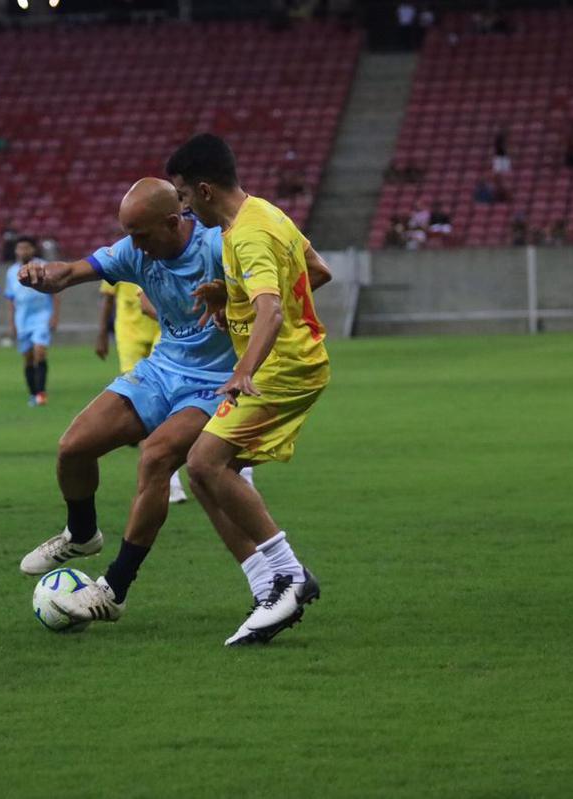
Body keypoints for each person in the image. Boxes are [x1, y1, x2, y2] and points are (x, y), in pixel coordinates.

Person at [15, 178, 244, 620]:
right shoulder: (135, 249)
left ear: (174, 222)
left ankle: (115, 588)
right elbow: (74, 270)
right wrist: (46, 277)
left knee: (155, 459)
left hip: (214, 381)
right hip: (161, 370)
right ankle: (81, 534)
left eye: (140, 233)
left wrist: (233, 300)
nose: (133, 244)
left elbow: (291, 283)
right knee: (73, 447)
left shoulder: (219, 246)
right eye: (127, 233)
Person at [167, 133, 333, 646]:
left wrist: (245, 370)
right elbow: (318, 271)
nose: (185, 210)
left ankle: (289, 575)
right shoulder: (269, 212)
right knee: (209, 475)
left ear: (203, 189)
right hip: (295, 361)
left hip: (282, 370)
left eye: (184, 198)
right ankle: (268, 586)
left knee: (201, 463)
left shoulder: (245, 236)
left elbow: (273, 309)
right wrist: (231, 295)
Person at [95, 278, 195, 503]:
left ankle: (171, 467)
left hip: (165, 330)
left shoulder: (162, 257)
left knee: (173, 398)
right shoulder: (121, 257)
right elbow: (108, 300)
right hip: (129, 334)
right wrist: (102, 333)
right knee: (145, 402)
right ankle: (170, 479)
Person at [4, 236, 59, 406]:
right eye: (20, 248)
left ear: (33, 250)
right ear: (16, 251)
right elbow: (11, 299)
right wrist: (12, 323)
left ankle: (41, 394)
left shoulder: (43, 266)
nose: (23, 251)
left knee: (40, 351)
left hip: (42, 315)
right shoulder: (11, 272)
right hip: (22, 318)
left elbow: (55, 292)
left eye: (26, 248)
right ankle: (33, 393)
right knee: (28, 357)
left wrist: (54, 316)